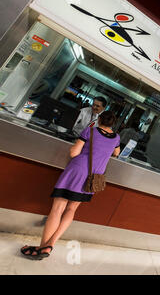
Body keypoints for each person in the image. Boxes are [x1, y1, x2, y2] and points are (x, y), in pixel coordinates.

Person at [20, 111, 120, 260]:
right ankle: (50, 244)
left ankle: (42, 247)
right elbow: (116, 153)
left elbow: (74, 152)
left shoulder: (90, 131)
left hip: (77, 172)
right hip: (92, 178)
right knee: (71, 209)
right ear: (113, 124)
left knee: (57, 209)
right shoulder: (116, 138)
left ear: (99, 120)